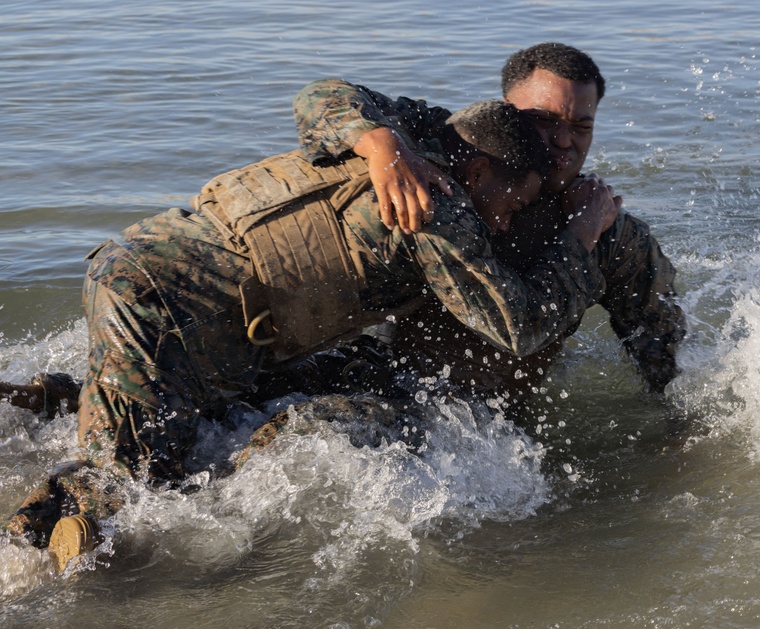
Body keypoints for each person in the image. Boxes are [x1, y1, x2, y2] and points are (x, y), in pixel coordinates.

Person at [4, 99, 621, 571]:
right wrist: (583, 238)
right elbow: (518, 327)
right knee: (132, 489)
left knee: (189, 431)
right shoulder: (441, 210)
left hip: (162, 277)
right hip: (163, 303)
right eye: (511, 205)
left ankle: (53, 398)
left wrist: (378, 144)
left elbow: (321, 96)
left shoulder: (416, 134)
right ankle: (47, 540)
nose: (507, 220)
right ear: (480, 169)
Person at [292, 43, 686, 406]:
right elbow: (319, 97)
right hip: (385, 381)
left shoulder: (603, 226)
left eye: (581, 127)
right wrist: (383, 150)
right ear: (506, 110)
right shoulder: (457, 145)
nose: (563, 141)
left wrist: (679, 434)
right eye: (544, 120)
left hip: (492, 426)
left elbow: (664, 350)